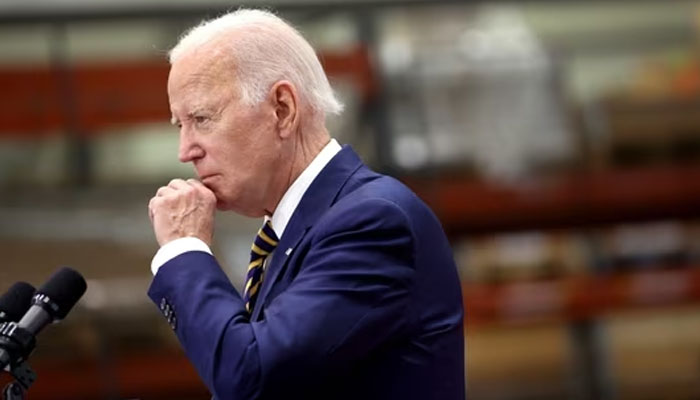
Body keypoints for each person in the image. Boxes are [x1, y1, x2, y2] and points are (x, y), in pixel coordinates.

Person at [147, 8, 465, 400]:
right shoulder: (296, 230)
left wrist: (184, 249)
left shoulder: (373, 220)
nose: (186, 151)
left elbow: (251, 376)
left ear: (282, 109)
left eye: (202, 118)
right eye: (181, 126)